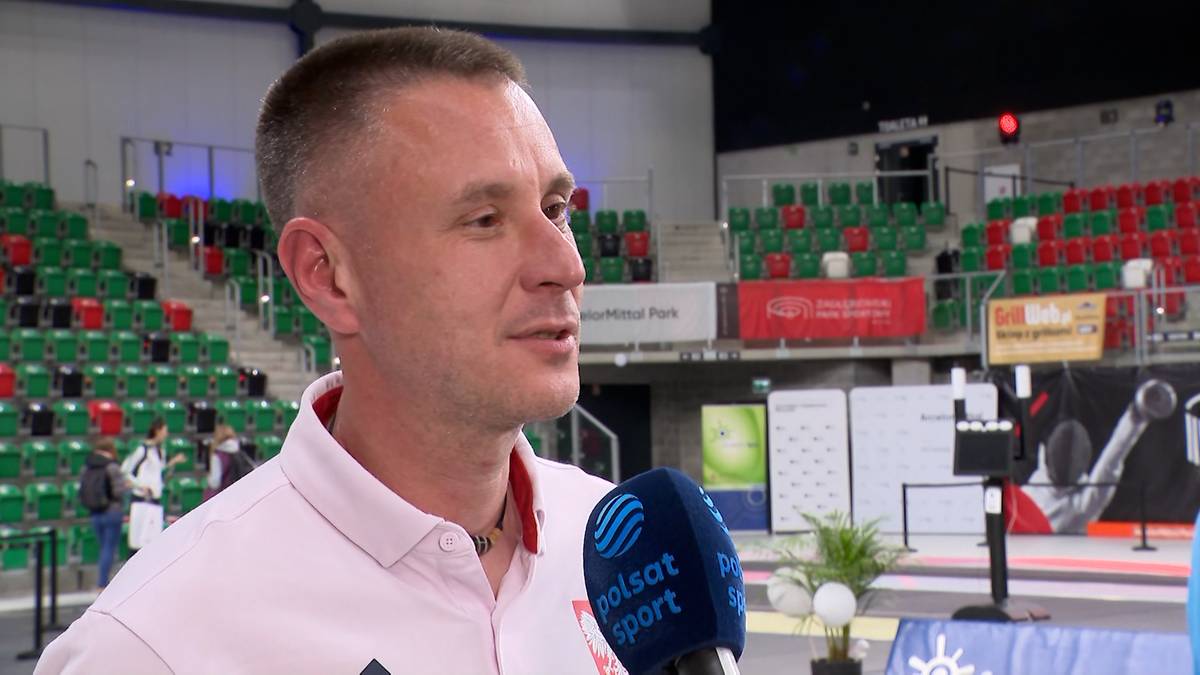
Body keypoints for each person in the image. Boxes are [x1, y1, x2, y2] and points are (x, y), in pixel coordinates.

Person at [38, 28, 615, 673]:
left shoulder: (623, 549)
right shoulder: (153, 646)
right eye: (484, 220)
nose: (566, 265)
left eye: (556, 208)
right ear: (327, 276)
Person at [121, 419, 186, 552]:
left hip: (155, 498)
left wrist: (173, 462)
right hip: (141, 498)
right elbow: (125, 470)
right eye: (164, 431)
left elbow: (158, 472)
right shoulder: (142, 450)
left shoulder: (160, 451)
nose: (166, 434)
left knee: (152, 539)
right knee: (138, 538)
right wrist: (140, 486)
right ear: (157, 431)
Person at [79, 438, 131, 591]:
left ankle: (105, 581)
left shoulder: (86, 467)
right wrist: (126, 486)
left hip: (95, 512)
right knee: (109, 548)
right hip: (112, 512)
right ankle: (103, 583)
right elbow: (118, 491)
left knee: (104, 548)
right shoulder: (112, 467)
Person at [205, 424, 253, 499]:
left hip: (223, 496)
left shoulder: (217, 456)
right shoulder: (241, 453)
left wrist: (208, 478)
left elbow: (215, 483)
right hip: (240, 494)